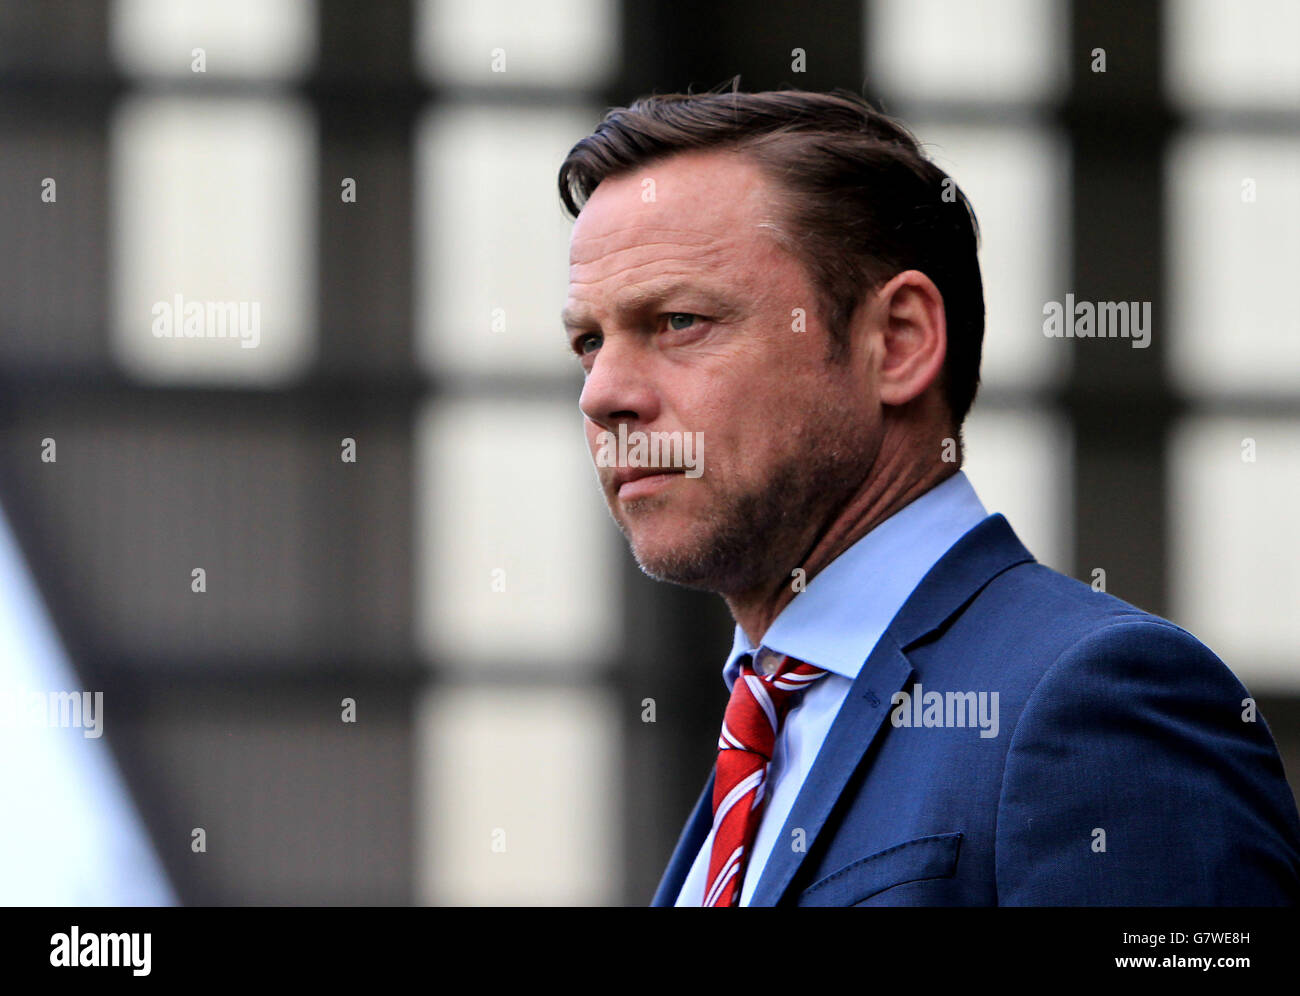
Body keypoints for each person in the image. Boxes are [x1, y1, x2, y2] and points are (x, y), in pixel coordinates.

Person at [556, 86, 1300, 906]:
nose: (602, 395)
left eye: (679, 321)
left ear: (899, 342)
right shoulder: (762, 731)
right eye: (589, 342)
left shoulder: (1097, 705)